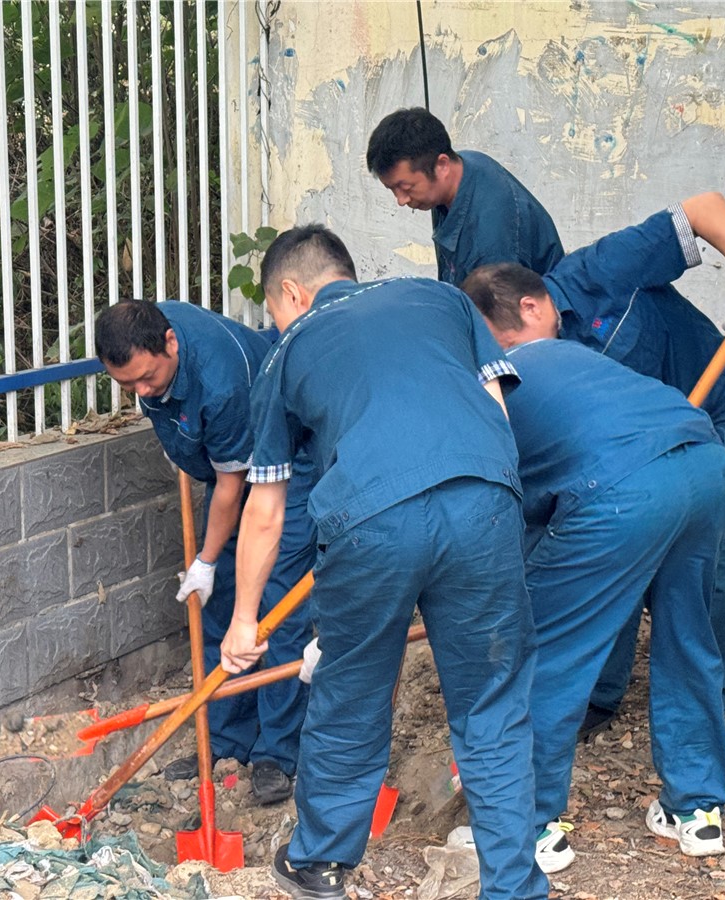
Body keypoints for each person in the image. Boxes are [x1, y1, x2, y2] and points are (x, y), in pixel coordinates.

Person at [219, 225, 548, 900]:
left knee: (351, 696)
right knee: (492, 702)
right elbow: (495, 409)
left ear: (292, 293)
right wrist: (493, 505)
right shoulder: (442, 299)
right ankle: (514, 886)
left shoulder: (290, 350)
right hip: (483, 498)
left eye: (276, 312)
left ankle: (320, 864)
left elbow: (267, 509)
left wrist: (244, 620)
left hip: (370, 521)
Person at [462, 262, 725, 871]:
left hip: (621, 492)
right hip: (705, 465)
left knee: (546, 653)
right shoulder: (577, 357)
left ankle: (527, 826)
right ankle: (696, 810)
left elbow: (495, 514)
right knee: (688, 636)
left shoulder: (492, 384)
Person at [527, 192, 725, 742]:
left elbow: (704, 209)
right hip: (635, 446)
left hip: (714, 411)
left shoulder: (601, 271)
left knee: (713, 559)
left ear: (530, 307)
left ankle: (719, 696)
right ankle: (598, 692)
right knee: (605, 549)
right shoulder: (529, 368)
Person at [94, 299, 315, 805]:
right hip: (229, 470)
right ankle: (224, 739)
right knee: (222, 609)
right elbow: (221, 474)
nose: (140, 391)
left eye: (147, 379)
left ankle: (277, 753)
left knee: (273, 611)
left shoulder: (220, 383)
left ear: (170, 343)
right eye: (127, 385)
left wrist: (206, 560)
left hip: (288, 467)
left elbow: (232, 488)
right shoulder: (145, 337)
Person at [365, 106, 563, 285]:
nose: (401, 200)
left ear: (442, 165)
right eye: (392, 189)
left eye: (407, 188)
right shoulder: (462, 166)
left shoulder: (491, 239)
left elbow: (500, 311)